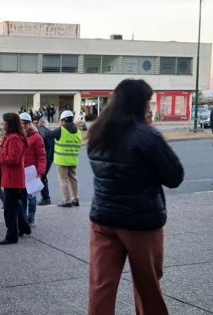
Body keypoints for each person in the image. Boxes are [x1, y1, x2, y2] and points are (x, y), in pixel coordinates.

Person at [86, 79, 184, 315]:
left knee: (101, 286)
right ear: (140, 103)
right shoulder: (145, 135)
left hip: (103, 220)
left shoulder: (98, 133)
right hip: (140, 222)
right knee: (147, 286)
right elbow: (174, 176)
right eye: (148, 102)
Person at [0, 113, 31, 245]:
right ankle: (24, 227)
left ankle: (11, 236)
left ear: (10, 124)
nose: (3, 125)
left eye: (4, 122)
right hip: (12, 178)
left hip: (12, 179)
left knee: (9, 210)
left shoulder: (14, 138)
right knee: (16, 206)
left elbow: (12, 159)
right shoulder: (11, 137)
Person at [46, 110, 82, 208]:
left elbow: (47, 135)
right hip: (73, 160)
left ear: (62, 120)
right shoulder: (78, 131)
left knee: (64, 180)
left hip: (62, 160)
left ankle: (67, 201)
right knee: (73, 179)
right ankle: (76, 199)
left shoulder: (61, 130)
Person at [19, 113, 47, 226]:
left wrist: (40, 172)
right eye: (22, 123)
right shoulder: (17, 136)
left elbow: (42, 156)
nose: (24, 126)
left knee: (31, 197)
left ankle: (30, 219)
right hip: (20, 171)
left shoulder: (36, 137)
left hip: (32, 172)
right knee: (22, 197)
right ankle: (24, 219)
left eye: (26, 123)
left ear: (30, 124)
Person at [34, 117, 55, 205]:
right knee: (43, 177)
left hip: (44, 158)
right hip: (48, 158)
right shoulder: (48, 132)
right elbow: (51, 147)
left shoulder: (39, 132)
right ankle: (45, 197)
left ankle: (46, 198)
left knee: (42, 178)